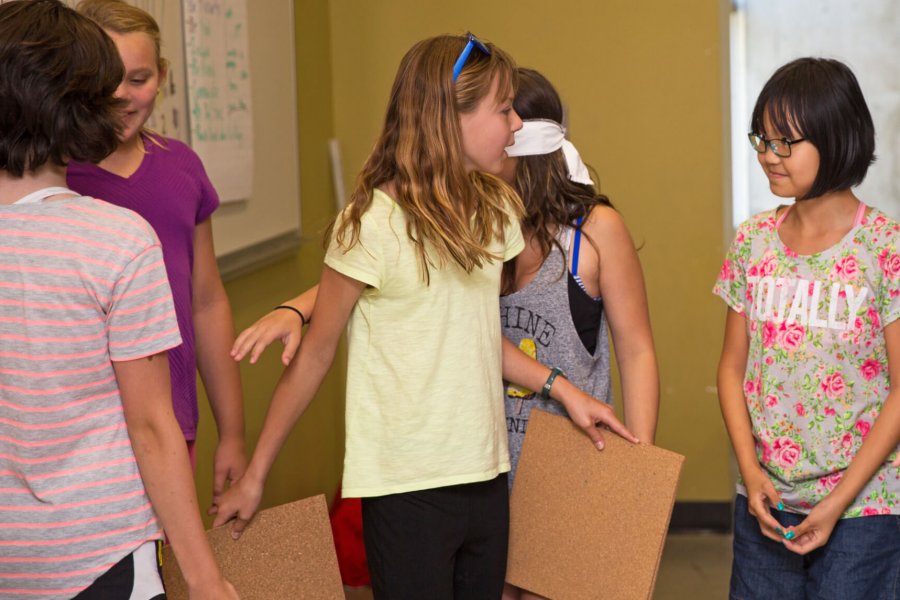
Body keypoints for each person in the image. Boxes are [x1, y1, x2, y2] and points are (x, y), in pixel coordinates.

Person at [213, 33, 637, 599]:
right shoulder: (370, 225)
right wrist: (256, 473)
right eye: (503, 110)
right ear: (448, 117)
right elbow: (315, 357)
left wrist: (563, 390)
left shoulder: (495, 210)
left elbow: (476, 339)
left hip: (487, 480)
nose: (516, 124)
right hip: (406, 490)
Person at [0, 1, 238, 598]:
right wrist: (205, 578)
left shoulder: (169, 181)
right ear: (82, 107)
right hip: (100, 550)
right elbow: (151, 427)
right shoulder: (118, 240)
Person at [714, 57, 900, 600]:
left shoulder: (885, 249)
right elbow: (730, 370)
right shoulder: (752, 241)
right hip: (767, 503)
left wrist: (837, 502)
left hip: (864, 510)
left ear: (837, 138)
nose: (768, 155)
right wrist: (751, 474)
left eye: (784, 143)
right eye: (761, 139)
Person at [68, 0, 246, 504]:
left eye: (138, 78)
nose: (120, 95)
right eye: (103, 79)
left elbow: (206, 301)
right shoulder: (52, 176)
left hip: (171, 424)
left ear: (162, 76)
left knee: (169, 549)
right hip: (84, 438)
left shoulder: (181, 167)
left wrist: (233, 433)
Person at [498, 68, 659, 599]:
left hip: (570, 469)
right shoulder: (472, 228)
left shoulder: (593, 231)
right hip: (484, 468)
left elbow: (636, 351)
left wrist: (638, 474)